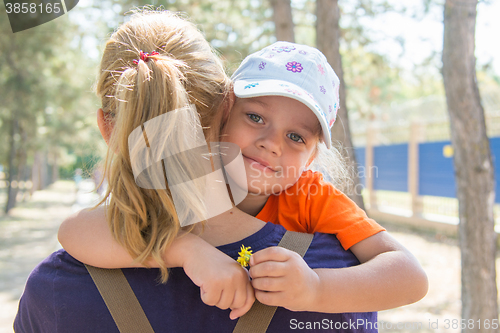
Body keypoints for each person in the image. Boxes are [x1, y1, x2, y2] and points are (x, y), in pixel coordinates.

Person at [14, 9, 380, 332]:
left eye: (296, 137)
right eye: (256, 118)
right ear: (227, 108)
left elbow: (72, 231)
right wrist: (186, 250)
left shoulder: (54, 289)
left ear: (107, 128)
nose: (271, 144)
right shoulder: (334, 276)